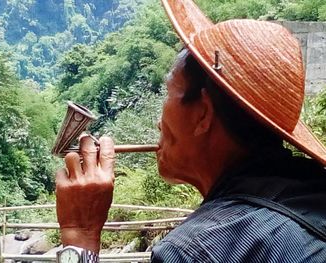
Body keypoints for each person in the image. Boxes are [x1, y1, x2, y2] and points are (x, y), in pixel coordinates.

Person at [55, 0, 326, 262]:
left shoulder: (198, 250)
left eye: (168, 92)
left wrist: (81, 235)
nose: (158, 123)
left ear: (202, 114)